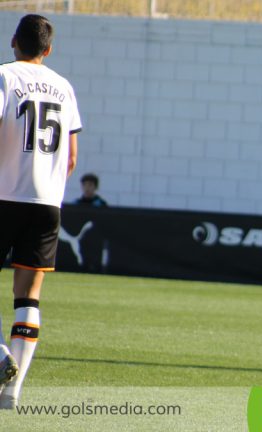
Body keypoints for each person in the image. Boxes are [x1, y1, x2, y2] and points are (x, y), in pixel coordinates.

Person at [0, 14, 82, 409]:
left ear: (13, 41)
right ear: (48, 50)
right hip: (48, 202)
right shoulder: (64, 88)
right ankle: (13, 390)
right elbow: (71, 157)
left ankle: (1, 358)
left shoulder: (4, 76)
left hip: (3, 195)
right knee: (28, 296)